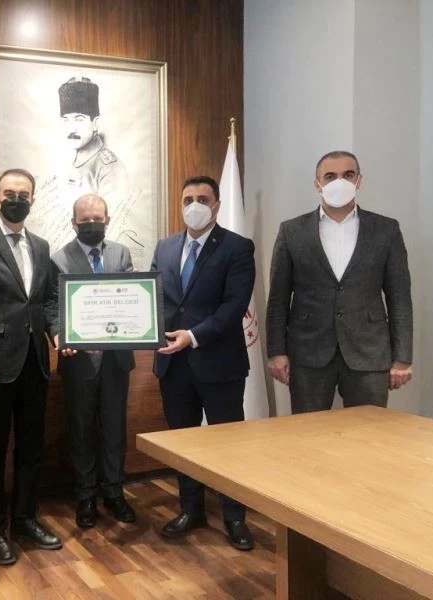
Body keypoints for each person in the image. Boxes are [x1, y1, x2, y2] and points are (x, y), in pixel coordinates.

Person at [151, 175, 255, 551]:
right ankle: (191, 509)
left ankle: (234, 517)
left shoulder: (237, 247)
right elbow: (156, 298)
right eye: (188, 199)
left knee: (227, 443)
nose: (194, 205)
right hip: (172, 364)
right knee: (184, 442)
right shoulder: (165, 247)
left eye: (202, 199)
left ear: (217, 205)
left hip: (219, 363)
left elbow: (234, 305)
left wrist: (193, 336)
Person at [266, 150, 413, 413]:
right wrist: (276, 352)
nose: (339, 182)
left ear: (359, 180)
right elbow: (278, 298)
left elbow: (399, 298)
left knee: (369, 431)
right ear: (317, 184)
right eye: (330, 176)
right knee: (308, 431)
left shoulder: (386, 229)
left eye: (348, 175)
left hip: (369, 352)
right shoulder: (292, 231)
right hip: (308, 353)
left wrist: (402, 358)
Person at [0, 168, 62, 566]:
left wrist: (57, 333)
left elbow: (47, 300)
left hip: (35, 360)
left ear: (33, 199)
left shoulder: (42, 246)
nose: (16, 200)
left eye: (23, 194)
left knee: (31, 446)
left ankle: (26, 519)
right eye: (9, 193)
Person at [51, 194, 137, 529]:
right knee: (82, 430)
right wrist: (60, 334)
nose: (91, 224)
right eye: (84, 220)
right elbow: (53, 305)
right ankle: (85, 496)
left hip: (116, 360)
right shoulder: (59, 259)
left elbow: (132, 299)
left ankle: (114, 493)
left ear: (108, 220)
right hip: (78, 362)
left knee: (115, 429)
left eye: (97, 219)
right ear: (73, 222)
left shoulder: (121, 253)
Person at [58, 77, 129, 213]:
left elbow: (114, 219)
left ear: (95, 123)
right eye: (66, 120)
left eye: (79, 119)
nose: (71, 129)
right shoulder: (68, 162)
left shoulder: (109, 168)